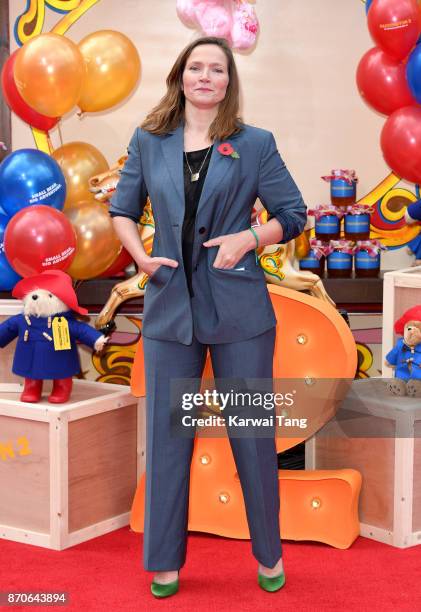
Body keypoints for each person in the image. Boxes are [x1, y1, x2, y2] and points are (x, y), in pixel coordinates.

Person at [109, 36, 307, 598]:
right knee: (170, 440)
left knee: (251, 436)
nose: (204, 76)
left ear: (228, 81)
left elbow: (291, 215)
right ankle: (166, 564)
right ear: (180, 76)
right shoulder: (149, 141)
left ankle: (269, 555)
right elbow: (121, 210)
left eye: (215, 69)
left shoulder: (255, 144)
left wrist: (248, 238)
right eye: (195, 67)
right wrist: (142, 257)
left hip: (241, 314)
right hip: (171, 310)